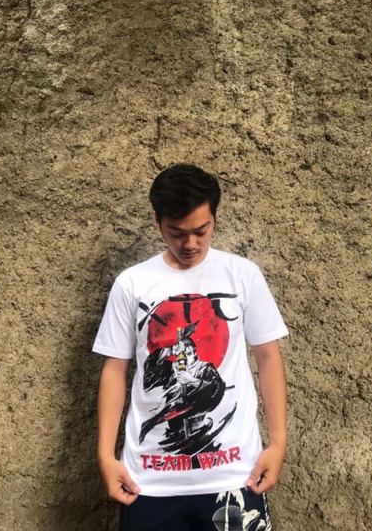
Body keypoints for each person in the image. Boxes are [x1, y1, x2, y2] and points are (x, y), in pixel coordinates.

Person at [93, 164, 288, 531]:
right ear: (157, 222)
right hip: (147, 482)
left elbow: (268, 357)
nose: (191, 244)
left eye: (202, 230)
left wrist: (278, 444)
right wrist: (105, 456)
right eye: (177, 233)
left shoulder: (242, 275)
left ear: (214, 218)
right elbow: (114, 369)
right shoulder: (132, 283)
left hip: (235, 476)